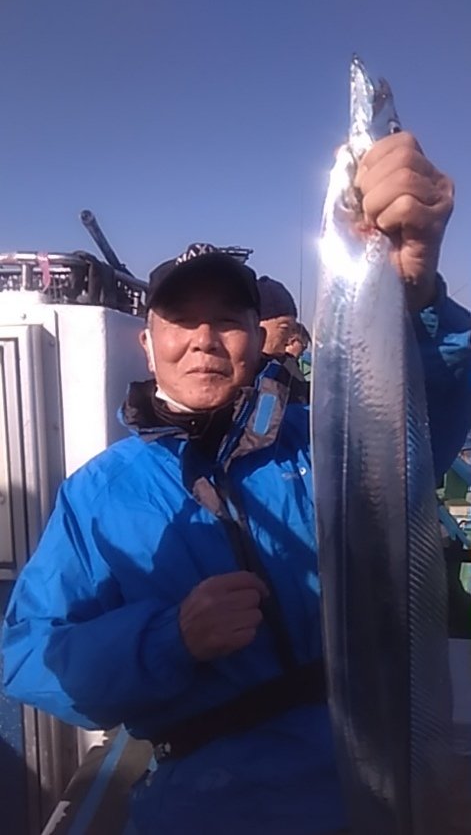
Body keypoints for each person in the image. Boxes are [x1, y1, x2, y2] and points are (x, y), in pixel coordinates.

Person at [2, 132, 471, 835]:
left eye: (227, 319)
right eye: (181, 320)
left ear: (257, 337)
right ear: (147, 342)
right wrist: (173, 639)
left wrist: (417, 295)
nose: (204, 338)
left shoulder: (324, 437)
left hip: (377, 778)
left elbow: (422, 417)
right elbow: (28, 655)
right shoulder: (98, 493)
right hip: (203, 804)